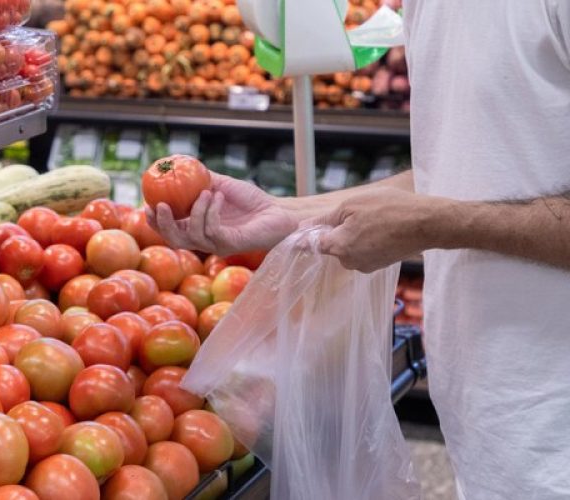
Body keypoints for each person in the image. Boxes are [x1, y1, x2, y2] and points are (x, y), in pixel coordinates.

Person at [146, 2, 570, 499]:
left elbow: (455, 204)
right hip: (493, 421)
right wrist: (289, 215)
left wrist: (435, 225)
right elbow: (460, 169)